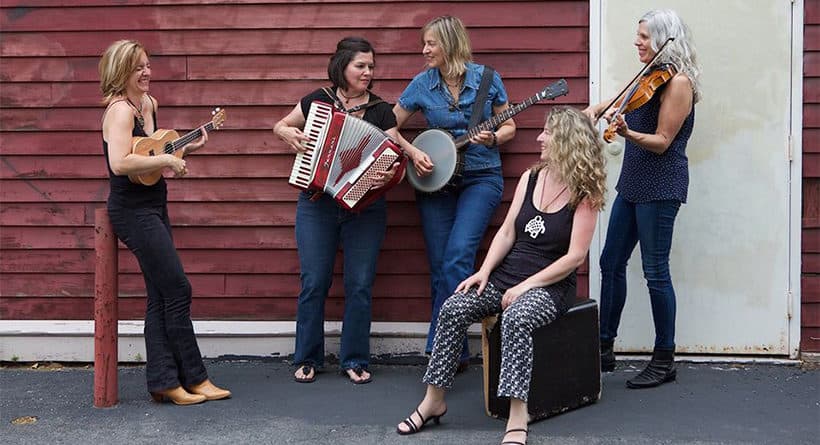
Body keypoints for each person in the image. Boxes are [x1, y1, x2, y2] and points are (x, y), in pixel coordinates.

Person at [395, 106, 606, 444]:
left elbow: (574, 258)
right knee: (454, 307)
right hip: (508, 276)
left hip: (549, 286)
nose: (540, 137)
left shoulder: (585, 193)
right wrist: (484, 271)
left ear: (567, 141)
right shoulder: (532, 177)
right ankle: (434, 400)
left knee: (516, 319)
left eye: (548, 133)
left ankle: (517, 413)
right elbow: (507, 232)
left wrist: (526, 286)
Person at [99, 40, 231, 405]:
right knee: (178, 290)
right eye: (138, 67)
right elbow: (121, 164)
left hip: (154, 202)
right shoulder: (120, 111)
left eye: (148, 65)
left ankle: (164, 382)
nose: (146, 73)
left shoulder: (148, 104)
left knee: (160, 294)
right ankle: (196, 377)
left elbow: (154, 150)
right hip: (131, 211)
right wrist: (170, 163)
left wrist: (185, 149)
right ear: (121, 71)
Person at [273, 36, 402, 385]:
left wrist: (388, 173)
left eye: (371, 66)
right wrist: (291, 135)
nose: (367, 72)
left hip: (365, 207)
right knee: (314, 281)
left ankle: (356, 358)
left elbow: (392, 156)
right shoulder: (318, 101)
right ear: (342, 65)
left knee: (360, 284)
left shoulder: (380, 110)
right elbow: (280, 125)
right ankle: (307, 357)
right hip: (317, 203)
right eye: (361, 65)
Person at [583, 9, 701, 389]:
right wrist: (596, 110)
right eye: (637, 36)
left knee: (655, 272)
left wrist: (627, 133)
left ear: (665, 38)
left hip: (661, 184)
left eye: (644, 37)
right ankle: (604, 346)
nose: (637, 42)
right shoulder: (649, 75)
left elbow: (663, 142)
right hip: (633, 182)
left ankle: (664, 357)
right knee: (610, 260)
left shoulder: (678, 83)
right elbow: (617, 104)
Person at [392, 15, 516, 370]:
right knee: (439, 267)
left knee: (457, 257)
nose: (425, 50)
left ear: (450, 43)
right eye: (424, 44)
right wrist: (413, 152)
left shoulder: (488, 79)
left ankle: (439, 347)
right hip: (437, 182)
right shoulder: (421, 84)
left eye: (431, 43)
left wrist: (493, 137)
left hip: (481, 177)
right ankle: (457, 351)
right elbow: (389, 125)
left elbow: (509, 125)